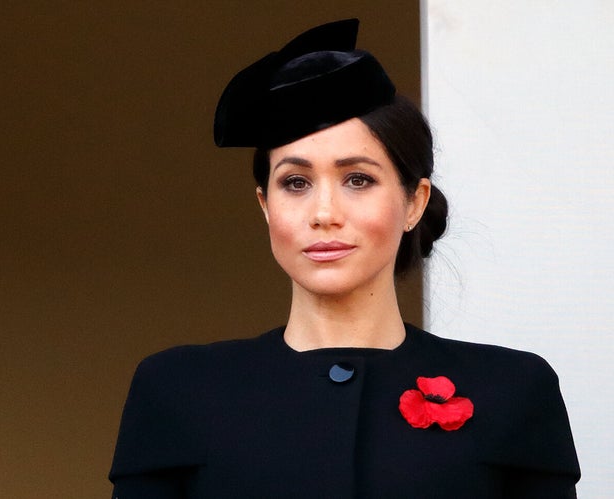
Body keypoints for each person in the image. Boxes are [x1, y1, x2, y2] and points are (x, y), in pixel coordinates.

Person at [109, 19, 580, 498]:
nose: (324, 213)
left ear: (415, 202)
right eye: (295, 183)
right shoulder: (177, 390)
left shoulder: (515, 390)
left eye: (358, 179)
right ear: (265, 206)